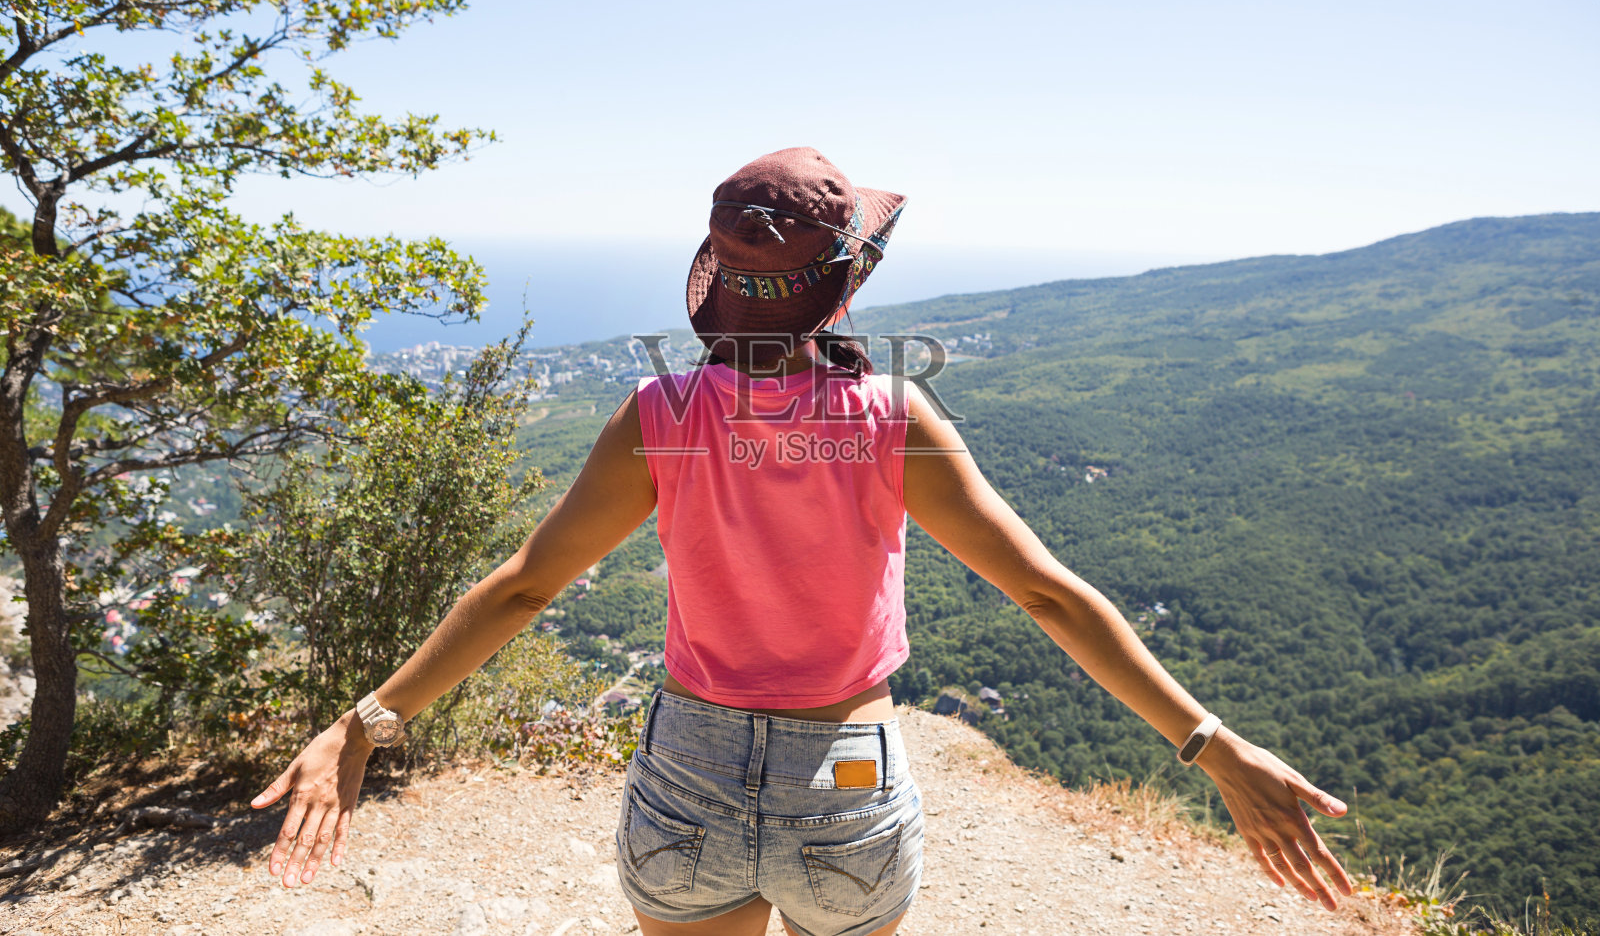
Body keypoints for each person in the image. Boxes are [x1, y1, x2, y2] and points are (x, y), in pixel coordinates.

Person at [253, 148, 1355, 935]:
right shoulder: (891, 414)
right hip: (849, 771)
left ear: (723, 285)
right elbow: (1049, 596)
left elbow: (524, 586)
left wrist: (367, 721)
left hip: (688, 769)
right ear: (846, 284)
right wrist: (1211, 743)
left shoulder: (658, 418)